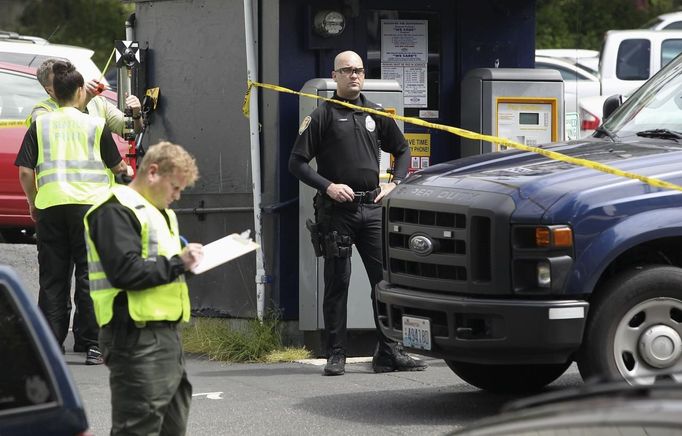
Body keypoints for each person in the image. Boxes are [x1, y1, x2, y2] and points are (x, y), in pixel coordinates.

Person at [289, 50, 426, 376]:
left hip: (373, 208)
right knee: (338, 282)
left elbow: (403, 149)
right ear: (334, 75)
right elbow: (296, 163)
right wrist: (328, 186)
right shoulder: (321, 115)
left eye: (359, 71)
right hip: (338, 211)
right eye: (347, 70)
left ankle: (389, 352)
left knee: (385, 282)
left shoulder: (376, 112)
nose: (354, 75)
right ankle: (336, 353)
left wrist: (396, 183)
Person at [15, 61, 130, 365]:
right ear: (81, 91)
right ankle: (92, 345)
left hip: (51, 208)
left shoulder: (41, 123)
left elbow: (26, 172)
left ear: (54, 92)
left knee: (53, 278)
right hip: (91, 209)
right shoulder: (95, 125)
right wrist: (127, 171)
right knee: (91, 275)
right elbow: (118, 168)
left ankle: (52, 346)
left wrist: (33, 201)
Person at [84, 141, 201, 435]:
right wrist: (178, 263)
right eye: (175, 187)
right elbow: (125, 271)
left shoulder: (159, 212)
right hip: (135, 336)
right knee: (137, 428)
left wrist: (187, 264)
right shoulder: (114, 210)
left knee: (170, 427)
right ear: (152, 172)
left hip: (164, 335)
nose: (177, 196)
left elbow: (161, 269)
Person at [26, 58, 143, 135]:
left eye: (68, 75)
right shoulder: (41, 111)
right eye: (60, 80)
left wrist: (136, 114)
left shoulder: (98, 103)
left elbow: (130, 131)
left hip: (99, 173)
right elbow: (62, 131)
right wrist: (85, 99)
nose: (67, 81)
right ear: (49, 90)